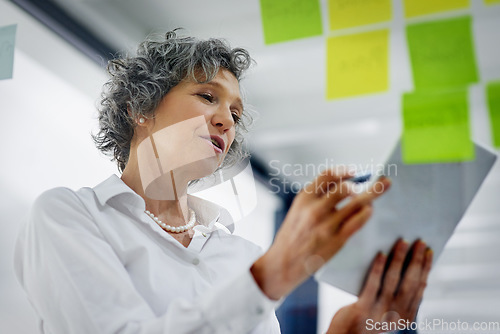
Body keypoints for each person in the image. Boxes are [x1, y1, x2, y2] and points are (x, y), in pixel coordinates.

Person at [14, 31, 432, 334]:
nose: (225, 120)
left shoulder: (240, 255)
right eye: (207, 96)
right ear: (140, 109)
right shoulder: (69, 216)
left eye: (234, 112)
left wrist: (347, 330)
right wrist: (271, 275)